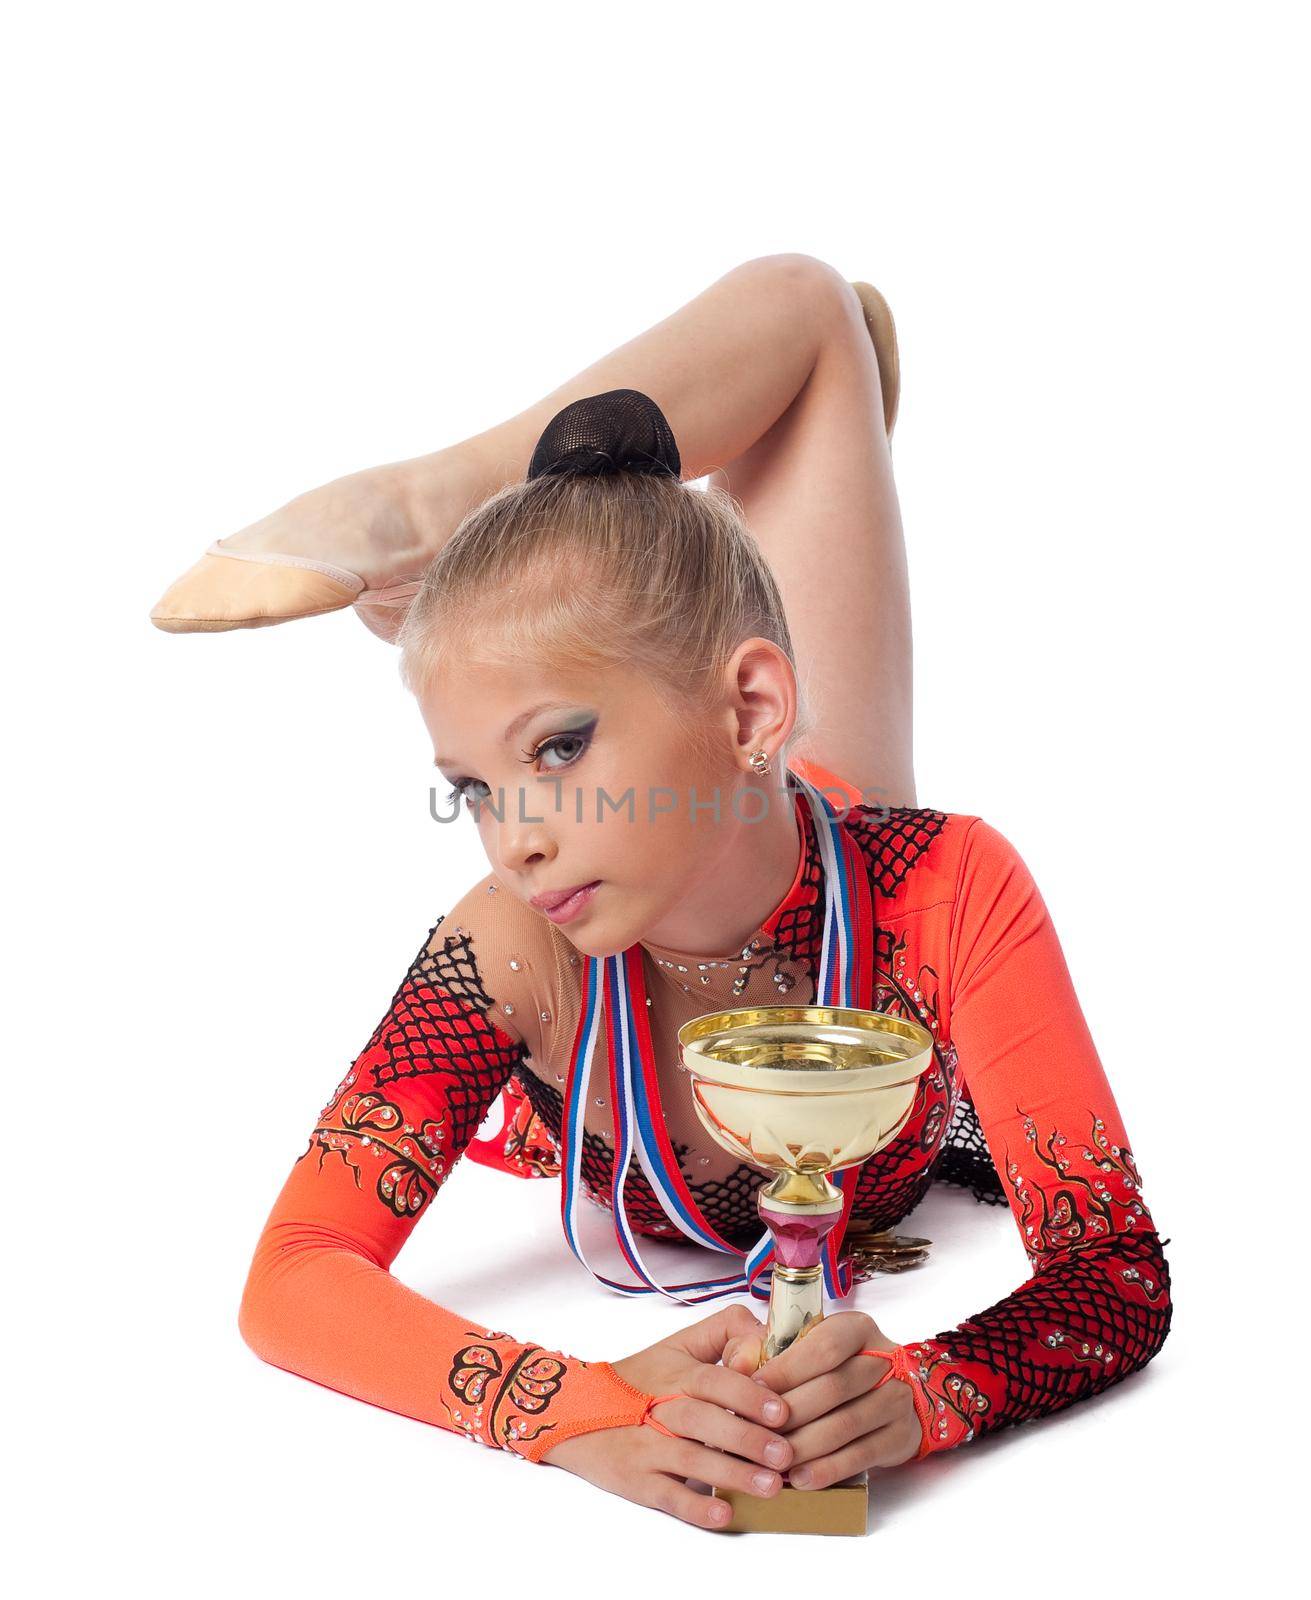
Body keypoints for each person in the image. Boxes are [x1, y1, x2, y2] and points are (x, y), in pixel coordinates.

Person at [159, 257, 1171, 1530]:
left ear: (751, 708)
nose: (510, 841)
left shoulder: (948, 886)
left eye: (559, 749)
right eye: (470, 784)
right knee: (810, 345)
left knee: (806, 306)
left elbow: (1114, 1270)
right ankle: (753, 421)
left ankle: (469, 494)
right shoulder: (518, 945)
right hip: (728, 804)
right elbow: (293, 1276)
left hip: (822, 835)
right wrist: (577, 1409)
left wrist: (929, 1389)